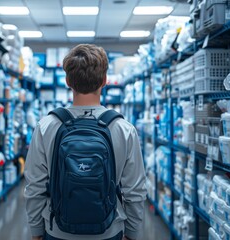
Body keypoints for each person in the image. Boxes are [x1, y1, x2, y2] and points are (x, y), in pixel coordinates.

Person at [24, 44, 147, 240]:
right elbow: (135, 189)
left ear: (67, 81)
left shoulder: (46, 126)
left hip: (58, 230)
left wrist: (36, 229)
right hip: (109, 230)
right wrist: (132, 232)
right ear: (105, 80)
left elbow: (35, 186)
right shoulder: (124, 129)